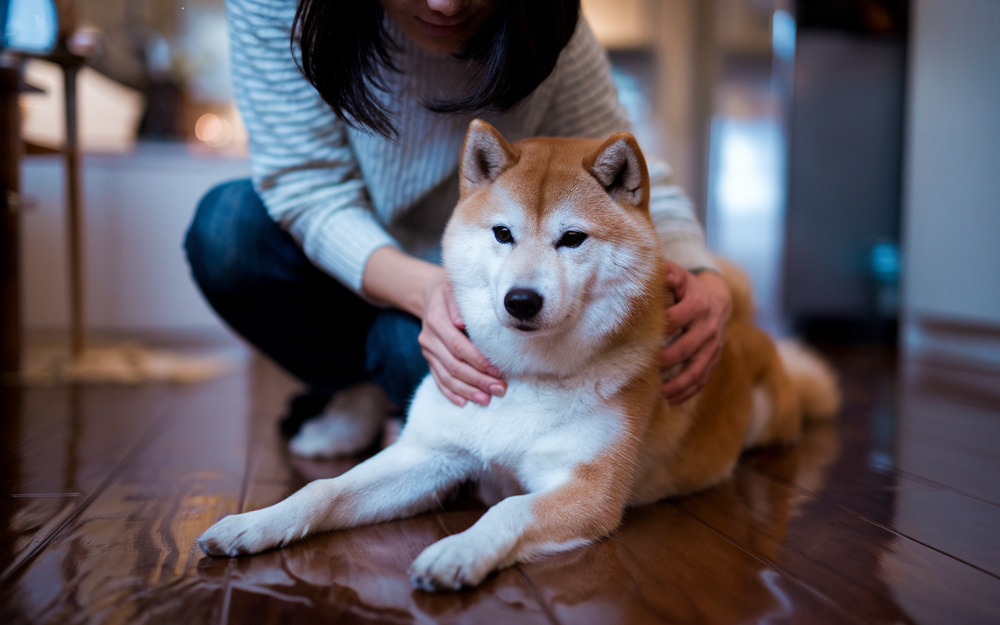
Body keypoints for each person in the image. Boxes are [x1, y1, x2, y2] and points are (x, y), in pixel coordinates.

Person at [184, 0, 732, 458]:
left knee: (426, 370)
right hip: (349, 271)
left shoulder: (540, 19)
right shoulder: (274, 6)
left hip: (473, 283)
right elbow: (306, 188)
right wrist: (427, 293)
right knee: (229, 231)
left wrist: (705, 276)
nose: (446, 4)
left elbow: (617, 177)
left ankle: (387, 377)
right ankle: (355, 382)